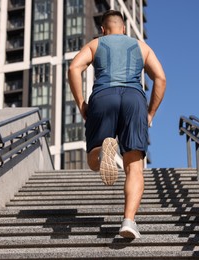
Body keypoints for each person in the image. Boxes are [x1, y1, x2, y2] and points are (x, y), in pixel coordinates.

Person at [68, 10, 166, 239]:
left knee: (93, 160)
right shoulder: (141, 47)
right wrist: (150, 113)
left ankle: (101, 150)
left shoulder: (96, 44)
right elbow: (160, 78)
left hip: (103, 96)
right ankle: (129, 221)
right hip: (134, 99)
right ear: (124, 29)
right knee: (134, 165)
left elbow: (74, 68)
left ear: (103, 30)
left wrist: (81, 102)